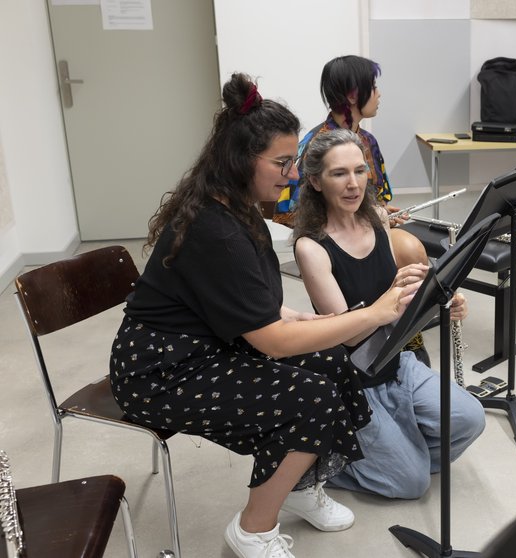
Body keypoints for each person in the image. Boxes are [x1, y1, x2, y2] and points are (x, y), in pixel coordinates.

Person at [108, 74, 417, 558]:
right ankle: (253, 530)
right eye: (281, 162)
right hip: (161, 371)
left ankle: (297, 488)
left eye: (292, 161)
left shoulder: (239, 208)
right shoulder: (217, 229)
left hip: (211, 344)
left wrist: (303, 319)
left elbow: (253, 304)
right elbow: (270, 342)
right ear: (239, 160)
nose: (293, 174)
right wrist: (375, 313)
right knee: (310, 397)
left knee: (334, 365)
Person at [292, 128, 486, 499]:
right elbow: (349, 334)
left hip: (397, 361)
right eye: (339, 174)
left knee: (470, 419)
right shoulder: (311, 248)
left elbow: (396, 312)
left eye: (360, 171)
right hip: (353, 378)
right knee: (411, 484)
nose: (353, 184)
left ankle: (394, 452)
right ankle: (329, 461)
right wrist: (401, 294)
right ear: (316, 181)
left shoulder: (379, 218)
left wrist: (441, 302)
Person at [273, 54, 431, 363]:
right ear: (353, 95)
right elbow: (285, 209)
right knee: (410, 249)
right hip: (331, 234)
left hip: (366, 224)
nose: (380, 93)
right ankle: (386, 333)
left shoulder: (367, 140)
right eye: (373, 86)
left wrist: (380, 210)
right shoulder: (315, 144)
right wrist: (338, 225)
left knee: (412, 252)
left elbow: (378, 196)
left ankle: (407, 333)